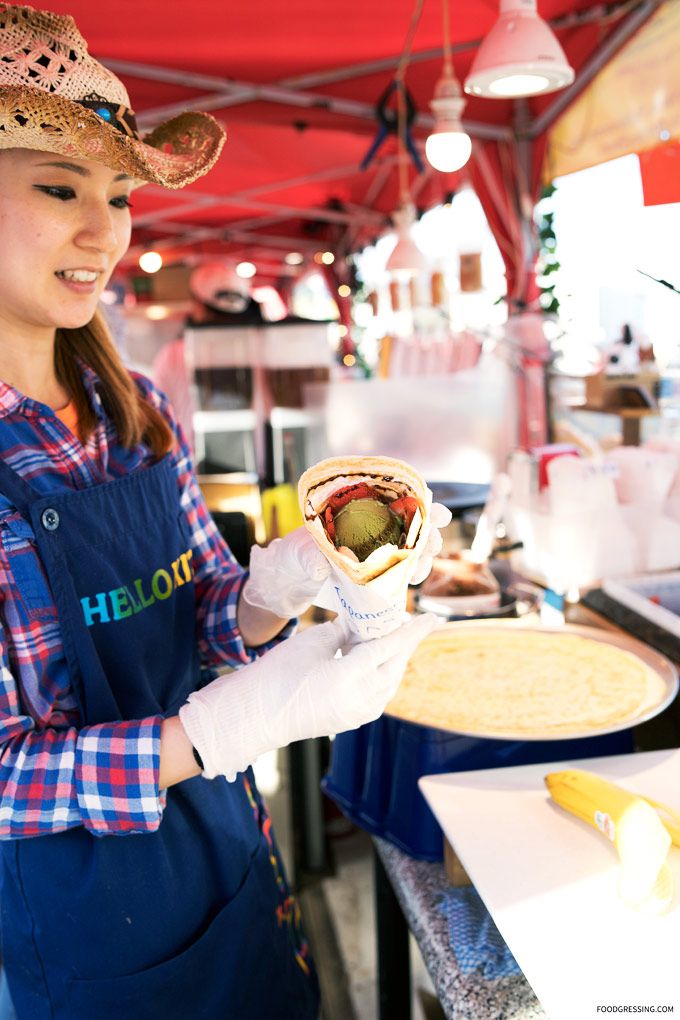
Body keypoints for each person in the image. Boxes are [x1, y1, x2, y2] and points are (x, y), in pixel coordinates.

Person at [0, 6, 451, 1019]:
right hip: (91, 920)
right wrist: (212, 731)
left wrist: (273, 587)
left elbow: (201, 616)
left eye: (117, 197)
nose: (101, 230)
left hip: (227, 846)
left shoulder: (137, 407)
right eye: (59, 187)